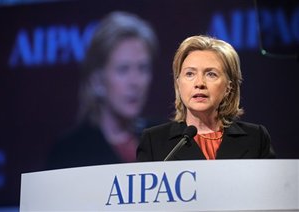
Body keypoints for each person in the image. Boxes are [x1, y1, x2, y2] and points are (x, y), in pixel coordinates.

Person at [46, 11, 159, 170]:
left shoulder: (165, 140)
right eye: (123, 69)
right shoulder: (70, 152)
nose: (135, 82)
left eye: (143, 68)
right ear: (97, 80)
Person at [137, 35, 276, 161]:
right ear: (178, 83)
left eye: (211, 74)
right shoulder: (153, 141)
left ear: (229, 87)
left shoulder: (256, 138)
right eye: (190, 74)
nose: (199, 84)